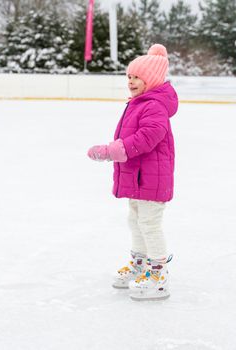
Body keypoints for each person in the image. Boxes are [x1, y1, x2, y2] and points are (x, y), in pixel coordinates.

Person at [87, 44, 178, 301]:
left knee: (149, 224)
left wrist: (110, 151)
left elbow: (146, 138)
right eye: (128, 76)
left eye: (137, 76)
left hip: (152, 178)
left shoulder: (154, 106)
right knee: (135, 221)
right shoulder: (140, 103)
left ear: (151, 80)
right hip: (139, 176)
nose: (131, 81)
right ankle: (140, 266)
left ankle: (158, 276)